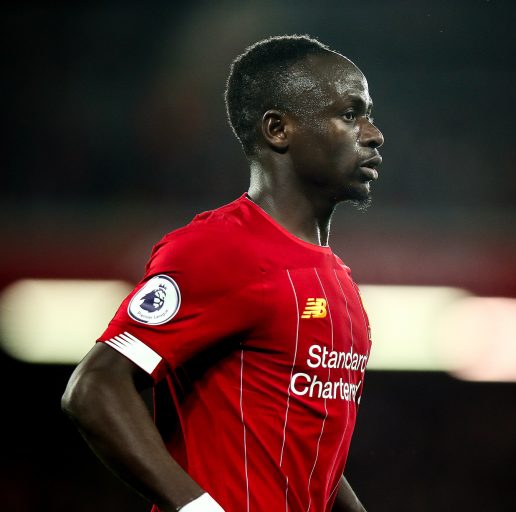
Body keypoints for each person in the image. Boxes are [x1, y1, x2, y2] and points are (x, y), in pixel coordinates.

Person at [61, 34, 384, 512]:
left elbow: (307, 450)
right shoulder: (219, 249)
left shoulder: (338, 280)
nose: (374, 134)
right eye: (351, 114)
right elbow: (94, 388)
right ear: (278, 129)